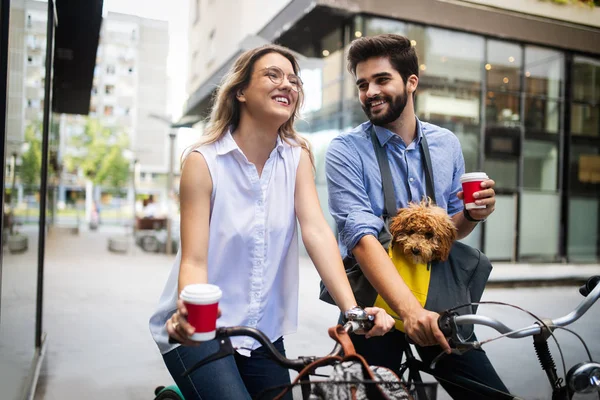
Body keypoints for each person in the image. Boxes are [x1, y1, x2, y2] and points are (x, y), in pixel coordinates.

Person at [149, 44, 394, 400]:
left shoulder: (297, 157)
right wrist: (191, 315)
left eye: (294, 80)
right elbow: (194, 259)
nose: (288, 85)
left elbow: (315, 230)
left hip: (262, 331)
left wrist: (351, 309)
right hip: (200, 330)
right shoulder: (204, 162)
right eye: (273, 75)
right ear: (242, 91)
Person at [324, 34, 508, 398]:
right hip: (374, 308)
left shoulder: (447, 144)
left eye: (381, 80)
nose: (370, 92)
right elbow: (361, 239)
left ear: (411, 82)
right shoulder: (345, 151)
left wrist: (473, 214)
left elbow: (448, 234)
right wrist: (408, 312)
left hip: (438, 301)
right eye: (362, 84)